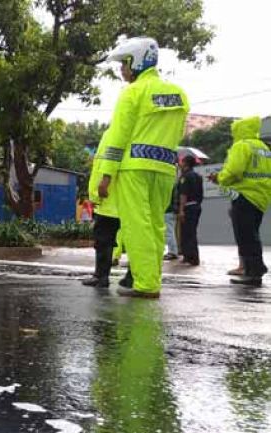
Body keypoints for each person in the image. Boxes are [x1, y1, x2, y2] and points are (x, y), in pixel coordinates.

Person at [98, 36, 189, 299]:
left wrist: (106, 175)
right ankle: (151, 279)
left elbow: (118, 137)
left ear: (136, 61)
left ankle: (146, 284)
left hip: (133, 168)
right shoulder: (178, 94)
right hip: (164, 168)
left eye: (124, 64)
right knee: (156, 226)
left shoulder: (133, 92)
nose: (121, 70)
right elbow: (179, 132)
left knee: (136, 225)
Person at [209, 116, 271, 288]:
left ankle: (252, 271)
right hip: (261, 197)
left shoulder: (241, 145)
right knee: (252, 234)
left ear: (239, 130)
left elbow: (234, 170)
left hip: (245, 195)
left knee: (245, 235)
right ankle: (251, 267)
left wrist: (220, 178)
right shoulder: (264, 148)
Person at [83, 129, 120, 288]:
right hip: (107, 198)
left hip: (110, 198)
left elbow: (113, 158)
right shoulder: (109, 133)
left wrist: (104, 183)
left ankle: (101, 276)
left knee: (104, 238)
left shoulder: (116, 132)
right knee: (105, 239)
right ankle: (102, 275)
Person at [178, 155, 204, 266]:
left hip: (188, 207)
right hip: (196, 206)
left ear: (185, 163)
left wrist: (181, 210)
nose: (180, 164)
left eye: (182, 162)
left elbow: (183, 194)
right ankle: (189, 256)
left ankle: (191, 257)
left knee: (187, 233)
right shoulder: (198, 176)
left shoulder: (185, 177)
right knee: (191, 232)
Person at [163, 182, 179, 260]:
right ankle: (173, 251)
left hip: (168, 210)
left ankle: (172, 252)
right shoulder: (173, 184)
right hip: (171, 210)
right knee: (170, 231)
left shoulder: (169, 184)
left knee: (169, 232)